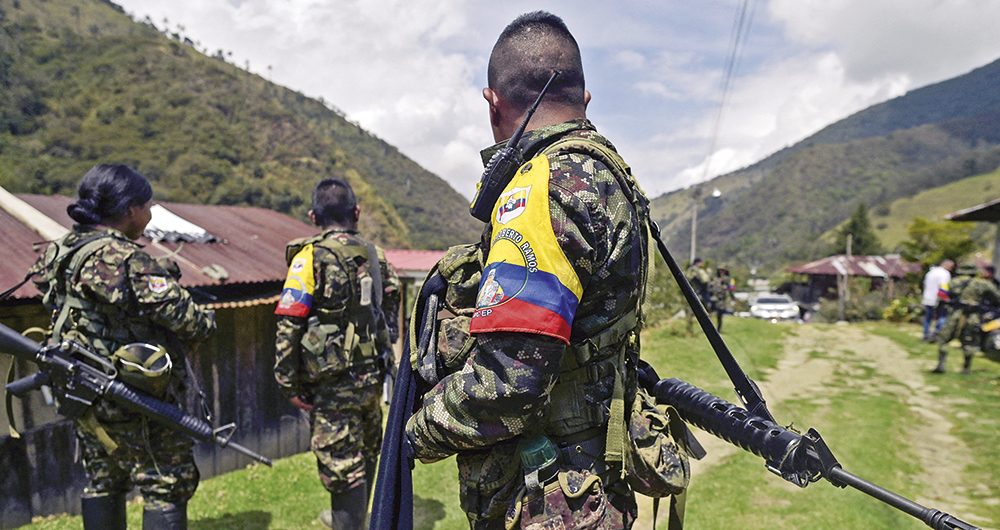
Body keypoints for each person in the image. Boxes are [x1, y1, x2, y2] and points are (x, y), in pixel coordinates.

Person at [405, 11, 654, 530]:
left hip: (548, 500)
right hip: (593, 486)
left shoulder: (539, 188)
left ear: (492, 104)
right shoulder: (609, 175)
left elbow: (509, 381)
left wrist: (415, 432)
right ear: (584, 101)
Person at [29, 164, 216, 530]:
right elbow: (196, 324)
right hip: (133, 400)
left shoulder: (60, 253)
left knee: (103, 482)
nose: (148, 216)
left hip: (84, 396)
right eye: (148, 207)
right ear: (131, 209)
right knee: (166, 485)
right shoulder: (127, 259)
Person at [273, 178, 400, 530]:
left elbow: (290, 321)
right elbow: (389, 309)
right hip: (371, 379)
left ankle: (350, 524)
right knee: (367, 449)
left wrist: (287, 381)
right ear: (356, 213)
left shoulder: (309, 257)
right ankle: (357, 521)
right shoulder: (376, 256)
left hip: (331, 384)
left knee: (343, 465)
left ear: (314, 216)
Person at [933, 264, 1000, 374]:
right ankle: (966, 368)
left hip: (955, 314)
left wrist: (949, 302)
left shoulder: (953, 281)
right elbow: (997, 298)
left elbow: (941, 293)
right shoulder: (983, 283)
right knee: (969, 342)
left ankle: (941, 364)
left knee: (944, 339)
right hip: (973, 316)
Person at [921, 259, 954, 341]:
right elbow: (943, 289)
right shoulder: (945, 274)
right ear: (946, 265)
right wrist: (948, 299)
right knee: (943, 317)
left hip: (927, 297)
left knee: (928, 318)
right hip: (937, 299)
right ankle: (936, 334)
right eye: (951, 267)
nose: (951, 269)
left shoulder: (931, 272)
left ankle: (926, 335)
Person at [685, 258, 713, 334]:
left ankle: (690, 328)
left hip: (694, 292)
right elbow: (705, 280)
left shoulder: (691, 270)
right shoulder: (698, 270)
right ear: (698, 263)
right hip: (700, 292)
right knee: (704, 310)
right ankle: (707, 328)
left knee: (692, 310)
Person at [710, 267, 734, 332]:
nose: (721, 272)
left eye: (723, 270)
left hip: (722, 299)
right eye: (720, 270)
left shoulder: (729, 279)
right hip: (714, 298)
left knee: (719, 314)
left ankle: (718, 329)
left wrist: (733, 298)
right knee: (709, 313)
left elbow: (732, 288)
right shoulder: (715, 278)